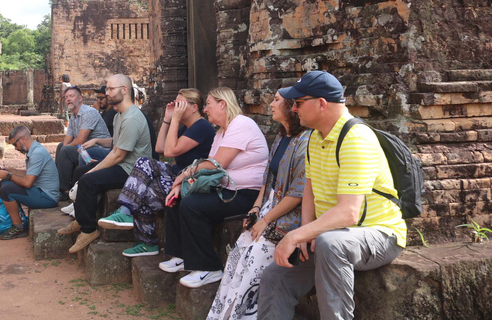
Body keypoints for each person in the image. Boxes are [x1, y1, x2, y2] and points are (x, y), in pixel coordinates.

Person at [257, 71, 406, 320]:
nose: (293, 109)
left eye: (299, 103)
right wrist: (305, 233)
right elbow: (309, 191)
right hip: (332, 235)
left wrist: (296, 235)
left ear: (322, 103)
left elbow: (349, 212)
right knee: (275, 276)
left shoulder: (355, 138)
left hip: (380, 233)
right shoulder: (315, 137)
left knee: (330, 243)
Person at [207, 91, 310, 319]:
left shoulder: (305, 141)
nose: (270, 104)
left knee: (253, 263)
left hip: (288, 217)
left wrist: (266, 220)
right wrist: (255, 210)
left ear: (291, 106)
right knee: (236, 258)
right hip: (268, 208)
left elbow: (297, 193)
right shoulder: (281, 135)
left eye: (276, 100)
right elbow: (267, 180)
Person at [160, 87, 269, 288]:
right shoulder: (221, 132)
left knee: (193, 204)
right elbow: (207, 164)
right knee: (177, 198)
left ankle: (209, 268)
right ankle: (181, 255)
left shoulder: (241, 124)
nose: (206, 109)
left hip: (246, 194)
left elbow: (216, 164)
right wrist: (182, 185)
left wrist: (182, 176)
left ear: (223, 104)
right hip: (227, 189)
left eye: (209, 104)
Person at [98, 88, 215, 258]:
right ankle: (125, 211)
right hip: (176, 172)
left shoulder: (201, 127)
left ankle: (147, 242)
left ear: (194, 107)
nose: (176, 107)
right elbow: (159, 148)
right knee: (143, 162)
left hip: (189, 179)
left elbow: (169, 152)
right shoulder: (186, 127)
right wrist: (168, 119)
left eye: (180, 104)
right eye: (175, 104)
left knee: (145, 191)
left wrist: (174, 119)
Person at [57, 74, 152, 253]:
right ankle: (81, 219)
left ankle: (88, 230)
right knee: (80, 172)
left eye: (110, 89)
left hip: (133, 171)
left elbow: (117, 156)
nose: (106, 93)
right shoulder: (119, 115)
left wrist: (93, 171)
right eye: (107, 89)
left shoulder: (132, 118)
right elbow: (116, 144)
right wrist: (97, 142)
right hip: (122, 163)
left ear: (124, 90)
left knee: (86, 179)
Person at [0, 125, 60, 240]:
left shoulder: (37, 153)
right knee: (4, 183)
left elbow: (27, 183)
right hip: (40, 192)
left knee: (6, 189)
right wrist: (10, 171)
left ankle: (19, 227)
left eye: (15, 144)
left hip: (47, 197)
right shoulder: (34, 150)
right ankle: (17, 220)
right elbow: (29, 173)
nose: (15, 148)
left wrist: (9, 176)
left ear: (22, 139)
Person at [54, 85, 112, 195]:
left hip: (99, 148)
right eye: (66, 97)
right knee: (61, 147)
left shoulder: (88, 112)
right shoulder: (73, 116)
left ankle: (65, 191)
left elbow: (80, 140)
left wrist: (65, 149)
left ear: (80, 98)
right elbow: (68, 138)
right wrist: (64, 147)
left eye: (71, 96)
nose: (68, 99)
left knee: (65, 151)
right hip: (84, 147)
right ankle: (59, 184)